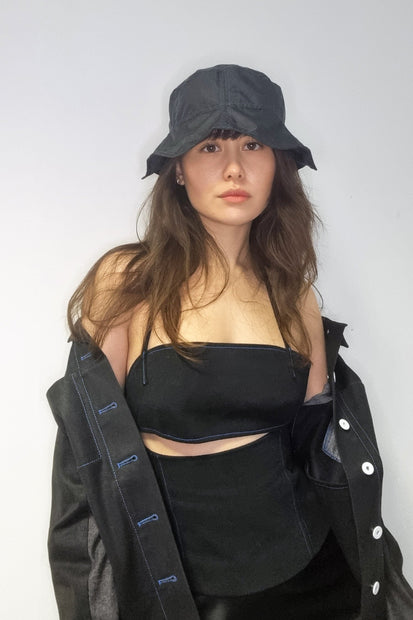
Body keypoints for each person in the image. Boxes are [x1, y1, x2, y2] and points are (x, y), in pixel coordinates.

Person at [47, 64, 413, 620]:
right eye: (211, 146)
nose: (235, 167)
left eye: (253, 144)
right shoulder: (127, 282)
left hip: (313, 578)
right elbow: (82, 466)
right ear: (178, 169)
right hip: (180, 592)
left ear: (278, 165)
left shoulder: (293, 296)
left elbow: (324, 456)